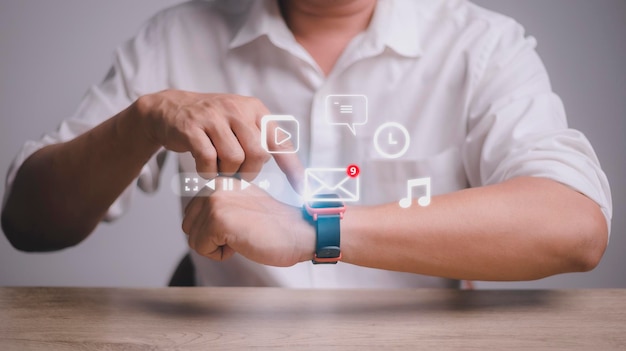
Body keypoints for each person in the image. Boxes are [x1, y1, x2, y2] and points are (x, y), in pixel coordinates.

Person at [1, 0, 612, 288]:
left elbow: (576, 226)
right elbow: (28, 222)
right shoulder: (176, 35)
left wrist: (315, 231)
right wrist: (141, 120)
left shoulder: (481, 46)